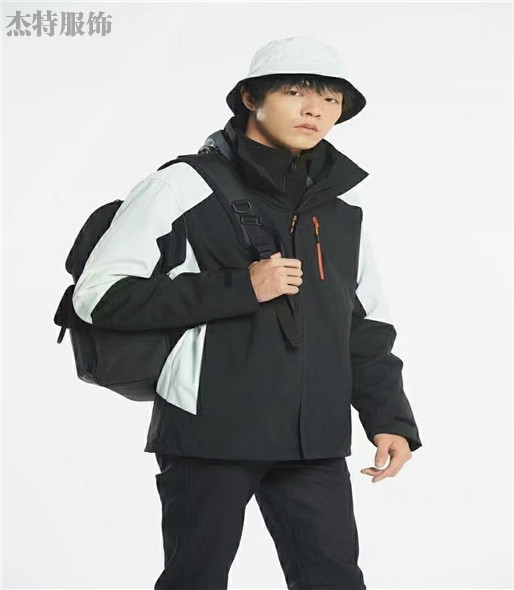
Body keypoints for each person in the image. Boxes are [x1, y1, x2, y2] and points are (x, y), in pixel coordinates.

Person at [72, 36, 422, 590]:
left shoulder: (341, 209)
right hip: (211, 432)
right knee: (195, 579)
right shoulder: (181, 185)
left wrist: (389, 418)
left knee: (335, 580)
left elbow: (364, 324)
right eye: (295, 92)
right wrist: (241, 287)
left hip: (313, 439)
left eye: (331, 99)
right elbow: (98, 295)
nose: (315, 110)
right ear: (250, 98)